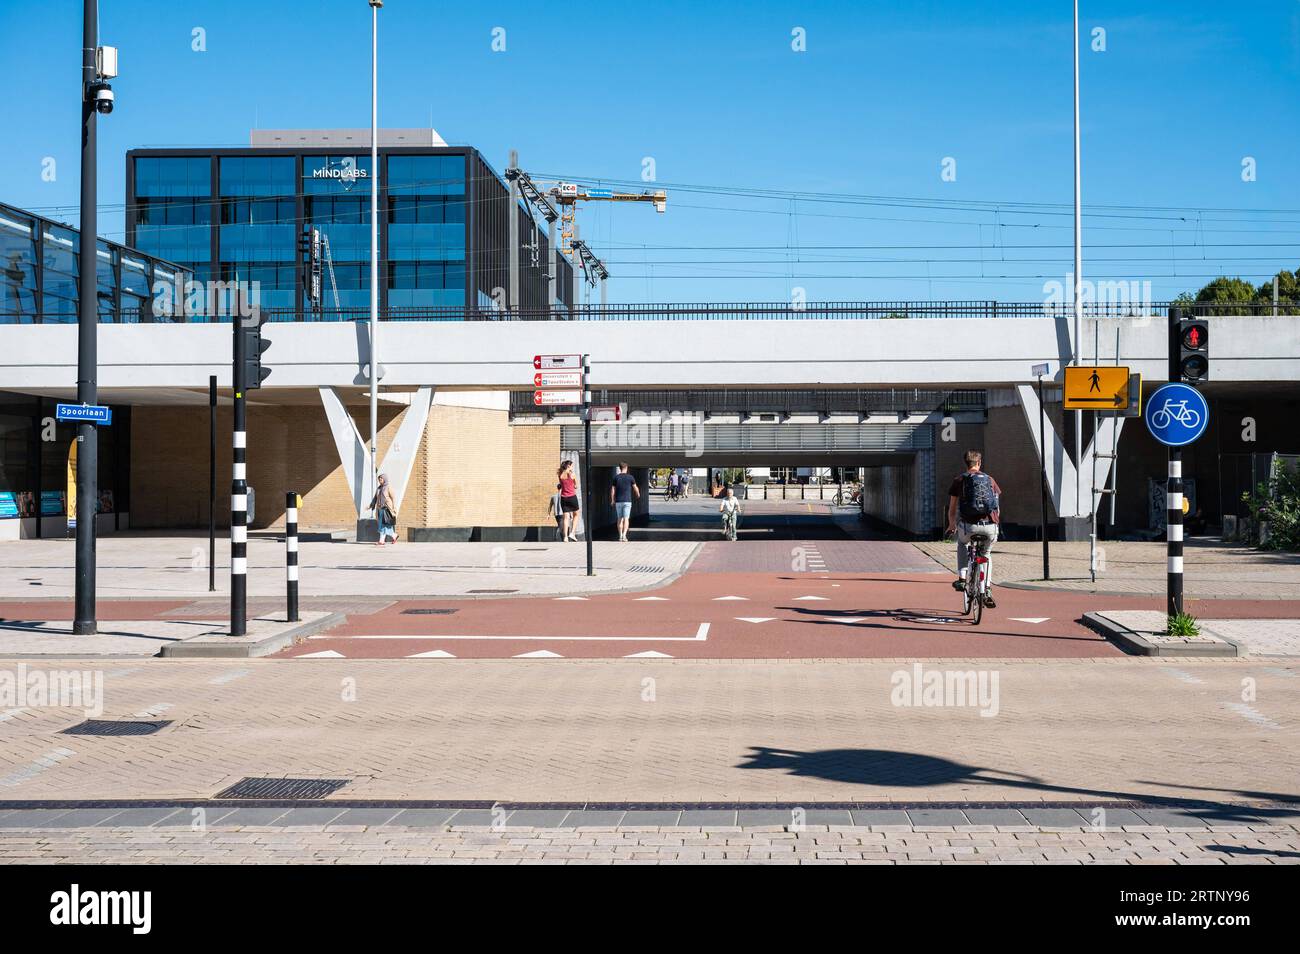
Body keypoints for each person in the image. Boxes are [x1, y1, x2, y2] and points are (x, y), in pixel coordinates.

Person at [946, 450, 1002, 607]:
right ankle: (988, 589)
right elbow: (997, 508)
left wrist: (952, 525)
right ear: (979, 463)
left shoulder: (959, 480)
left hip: (968, 526)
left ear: (966, 463)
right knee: (986, 554)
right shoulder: (990, 480)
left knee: (962, 544)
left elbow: (952, 509)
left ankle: (962, 579)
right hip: (990, 526)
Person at [609, 462, 640, 542]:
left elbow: (612, 490)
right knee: (626, 518)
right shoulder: (630, 477)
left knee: (619, 519)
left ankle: (620, 536)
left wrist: (612, 500)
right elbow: (635, 487)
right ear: (626, 467)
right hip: (627, 501)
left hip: (618, 501)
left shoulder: (616, 478)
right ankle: (624, 535)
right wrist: (638, 494)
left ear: (620, 468)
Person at [371, 473, 398, 546]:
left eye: (381, 479)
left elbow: (393, 498)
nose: (380, 481)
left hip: (386, 509)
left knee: (382, 525)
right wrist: (371, 505)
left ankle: (381, 541)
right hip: (379, 509)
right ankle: (394, 536)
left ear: (384, 479)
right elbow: (375, 498)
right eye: (379, 480)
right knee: (385, 525)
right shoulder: (379, 488)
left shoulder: (388, 487)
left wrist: (394, 508)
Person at [557, 460, 580, 542]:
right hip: (572, 497)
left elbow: (561, 484)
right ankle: (572, 533)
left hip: (563, 498)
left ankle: (565, 537)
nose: (572, 467)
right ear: (568, 466)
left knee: (566, 517)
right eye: (571, 465)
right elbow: (576, 486)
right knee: (576, 514)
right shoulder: (572, 474)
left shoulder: (560, 475)